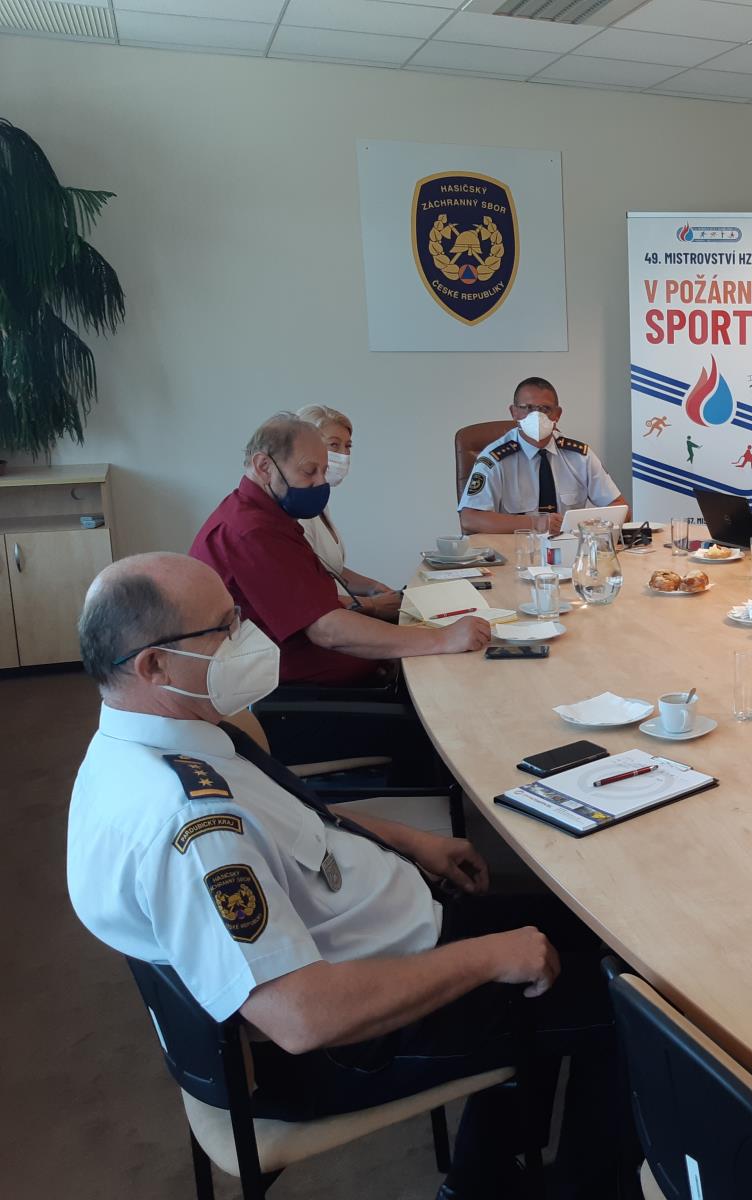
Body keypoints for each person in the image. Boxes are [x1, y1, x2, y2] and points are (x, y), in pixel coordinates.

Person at [67, 553, 613, 1198]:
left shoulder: (157, 740)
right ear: (154, 666)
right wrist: (490, 957)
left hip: (382, 934)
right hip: (351, 1032)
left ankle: (485, 1174)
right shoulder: (187, 823)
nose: (248, 637)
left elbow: (292, 818)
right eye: (224, 627)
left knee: (591, 929)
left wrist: (412, 842)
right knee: (631, 1002)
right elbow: (302, 1018)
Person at [192, 414, 489, 686]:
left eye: (323, 472)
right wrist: (441, 639)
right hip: (311, 696)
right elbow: (328, 630)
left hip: (338, 674)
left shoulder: (264, 515)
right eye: (309, 471)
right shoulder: (251, 532)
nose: (320, 483)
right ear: (264, 467)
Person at [458, 377, 628, 534]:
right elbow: (470, 518)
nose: (537, 416)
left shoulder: (580, 456)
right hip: (517, 549)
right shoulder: (494, 459)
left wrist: (584, 525)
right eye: (528, 408)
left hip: (569, 549)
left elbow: (621, 508)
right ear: (514, 412)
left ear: (557, 414)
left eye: (545, 409)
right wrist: (534, 523)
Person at [294, 403, 403, 622]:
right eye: (334, 445)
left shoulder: (319, 502)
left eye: (348, 446)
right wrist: (374, 605)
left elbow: (331, 569)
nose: (344, 455)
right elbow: (307, 597)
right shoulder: (298, 513)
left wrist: (374, 587)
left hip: (346, 612)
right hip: (332, 621)